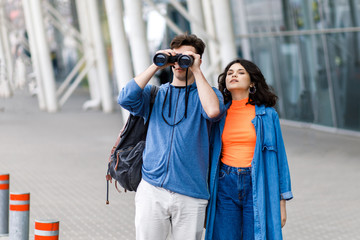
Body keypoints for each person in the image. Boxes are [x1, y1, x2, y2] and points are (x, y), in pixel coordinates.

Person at [118, 34, 226, 240]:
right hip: (152, 188)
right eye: (176, 57)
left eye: (187, 57)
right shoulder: (156, 94)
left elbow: (213, 111)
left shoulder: (209, 94)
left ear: (199, 59)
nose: (179, 63)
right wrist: (155, 65)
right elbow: (125, 98)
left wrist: (195, 69)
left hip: (191, 192)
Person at [205, 59, 293, 240]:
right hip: (224, 184)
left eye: (240, 72)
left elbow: (280, 160)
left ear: (252, 82)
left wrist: (282, 202)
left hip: (257, 182)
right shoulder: (218, 114)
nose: (234, 75)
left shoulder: (267, 115)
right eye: (230, 73)